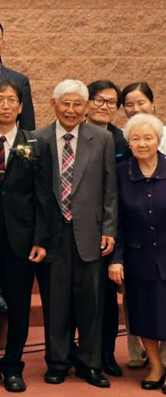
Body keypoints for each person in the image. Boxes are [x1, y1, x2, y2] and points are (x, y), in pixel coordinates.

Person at [0, 80, 57, 392]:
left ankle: (12, 366)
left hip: (21, 240)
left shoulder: (36, 144)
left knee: (19, 305)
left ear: (21, 107)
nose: (5, 105)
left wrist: (40, 239)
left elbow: (44, 196)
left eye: (12, 100)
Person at [36, 79, 118, 387]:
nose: (71, 110)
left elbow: (110, 189)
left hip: (91, 233)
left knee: (91, 303)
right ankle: (58, 361)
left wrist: (109, 228)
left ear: (85, 107)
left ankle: (89, 363)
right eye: (65, 103)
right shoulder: (38, 138)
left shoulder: (102, 139)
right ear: (53, 104)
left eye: (77, 104)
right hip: (52, 235)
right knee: (55, 303)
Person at [109, 114, 166, 390]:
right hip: (138, 258)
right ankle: (155, 366)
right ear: (128, 143)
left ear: (158, 140)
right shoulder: (121, 172)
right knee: (144, 316)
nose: (142, 143)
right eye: (136, 138)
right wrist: (116, 259)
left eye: (148, 138)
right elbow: (115, 219)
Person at [86, 79, 135, 376]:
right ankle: (77, 353)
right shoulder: (74, 134)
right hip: (78, 227)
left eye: (111, 103)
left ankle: (106, 354)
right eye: (99, 100)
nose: (105, 107)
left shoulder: (122, 141)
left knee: (105, 298)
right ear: (88, 101)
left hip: (111, 228)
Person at [121, 82, 166, 155]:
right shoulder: (120, 136)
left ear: (152, 103)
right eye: (129, 105)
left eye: (141, 103)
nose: (136, 109)